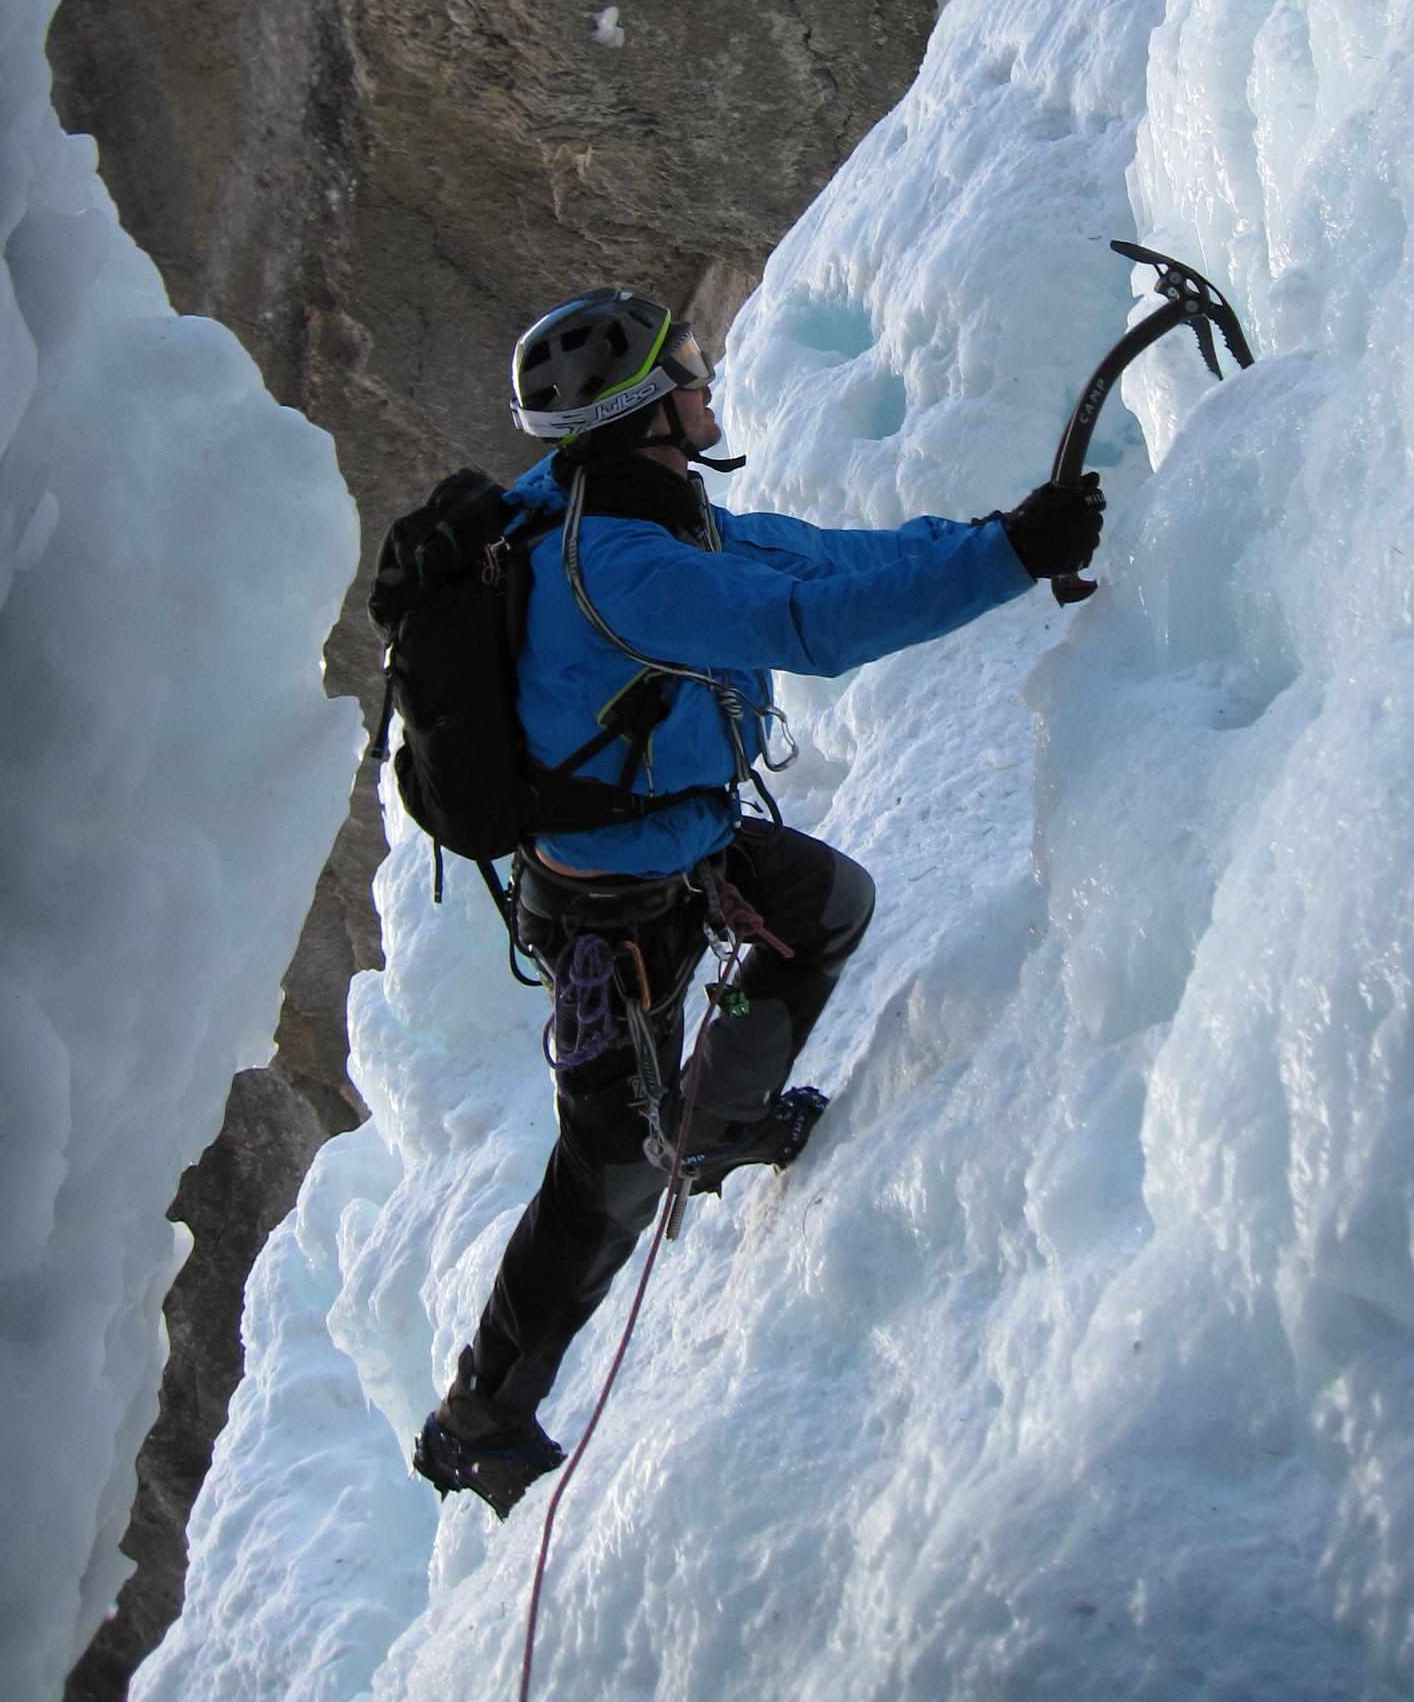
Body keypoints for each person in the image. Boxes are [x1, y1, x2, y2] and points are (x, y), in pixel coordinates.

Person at [413, 286, 1103, 1515]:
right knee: (608, 1175)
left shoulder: (641, 511)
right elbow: (811, 618)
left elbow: (822, 560)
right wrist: (1012, 557)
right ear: (646, 408)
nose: (708, 381)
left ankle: (719, 1121)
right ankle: (482, 1410)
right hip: (608, 917)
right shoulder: (623, 565)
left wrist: (999, 537)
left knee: (824, 902)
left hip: (675, 850)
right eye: (690, 368)